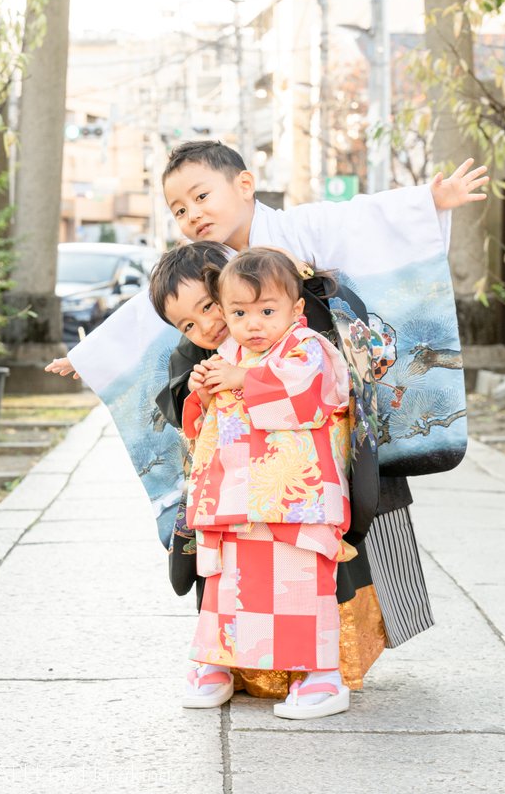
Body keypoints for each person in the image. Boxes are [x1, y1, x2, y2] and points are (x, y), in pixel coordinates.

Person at [46, 141, 487, 662]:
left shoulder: (299, 230)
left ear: (245, 185)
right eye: (180, 209)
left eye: (202, 195)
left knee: (348, 522)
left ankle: (339, 653)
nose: (193, 214)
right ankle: (243, 657)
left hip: (320, 416)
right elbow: (149, 313)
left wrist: (426, 202)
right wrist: (93, 353)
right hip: (244, 443)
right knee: (239, 544)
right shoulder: (202, 266)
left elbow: (359, 219)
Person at [149, 240, 386, 703]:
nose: (251, 325)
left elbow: (312, 395)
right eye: (239, 314)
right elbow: (199, 427)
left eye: (265, 312)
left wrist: (244, 382)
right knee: (229, 588)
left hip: (295, 500)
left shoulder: (308, 347)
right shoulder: (230, 355)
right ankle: (217, 664)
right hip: (234, 500)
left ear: (295, 309)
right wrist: (201, 390)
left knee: (299, 589)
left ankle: (321, 676)